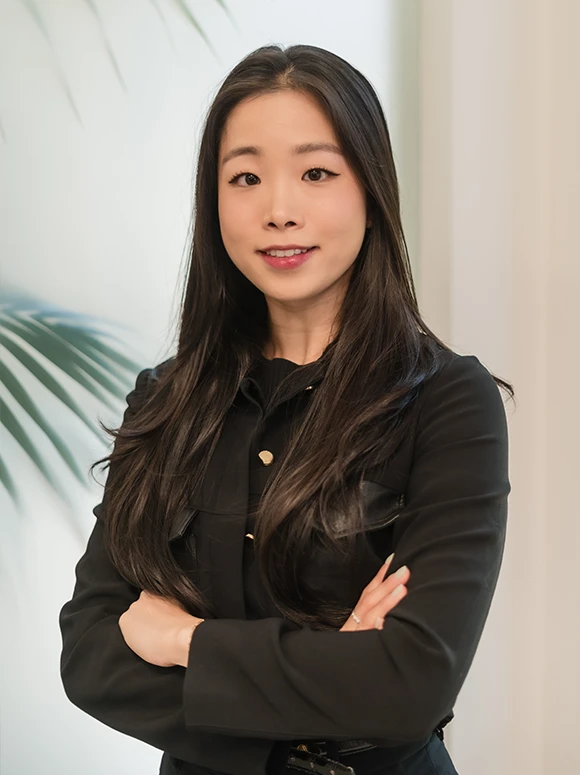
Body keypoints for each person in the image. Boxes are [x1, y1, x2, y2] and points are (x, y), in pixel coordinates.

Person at [59, 44, 514, 775]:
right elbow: (90, 655)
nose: (278, 210)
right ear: (215, 201)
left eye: (316, 173)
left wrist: (186, 642)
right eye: (245, 177)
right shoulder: (166, 400)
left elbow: (412, 683)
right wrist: (337, 668)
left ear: (370, 190)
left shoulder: (450, 403)